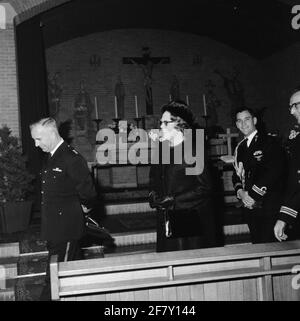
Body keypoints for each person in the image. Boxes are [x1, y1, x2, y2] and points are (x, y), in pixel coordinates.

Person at [30, 117, 97, 300]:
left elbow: (88, 193)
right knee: (69, 278)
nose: (36, 144)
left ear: (52, 133)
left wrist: (82, 210)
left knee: (56, 280)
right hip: (55, 230)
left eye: (38, 139)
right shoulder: (52, 156)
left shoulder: (70, 158)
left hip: (66, 230)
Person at [148, 101, 217, 252]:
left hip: (188, 214)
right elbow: (154, 177)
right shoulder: (163, 147)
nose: (161, 127)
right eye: (161, 122)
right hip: (165, 214)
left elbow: (204, 187)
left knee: (185, 263)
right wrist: (153, 193)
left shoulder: (194, 148)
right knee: (167, 259)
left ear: (180, 124)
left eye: (166, 123)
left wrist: (174, 200)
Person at [232, 107, 285, 244]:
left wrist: (252, 195)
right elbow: (236, 174)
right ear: (237, 124)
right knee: (257, 244)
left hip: (268, 205)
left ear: (254, 120)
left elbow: (274, 172)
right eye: (239, 121)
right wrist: (241, 193)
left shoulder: (269, 142)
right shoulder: (240, 147)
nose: (243, 124)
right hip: (250, 207)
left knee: (271, 246)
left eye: (247, 119)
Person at [274, 89, 300, 242]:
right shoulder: (295, 136)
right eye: (290, 107)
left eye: (295, 106)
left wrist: (284, 217)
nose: (291, 112)